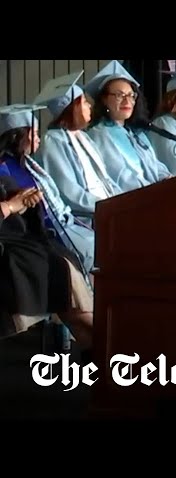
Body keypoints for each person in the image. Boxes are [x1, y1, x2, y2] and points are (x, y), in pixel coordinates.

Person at [0, 172, 93, 348]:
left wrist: (23, 202)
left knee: (59, 262)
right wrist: (9, 206)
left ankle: (104, 348)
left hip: (21, 244)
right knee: (51, 266)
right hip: (12, 254)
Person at [0, 104, 95, 276]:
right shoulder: (5, 169)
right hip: (43, 233)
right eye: (34, 133)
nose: (38, 139)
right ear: (18, 137)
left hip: (64, 223)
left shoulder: (27, 163)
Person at [34, 71, 122, 221]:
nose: (89, 106)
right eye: (84, 102)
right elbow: (69, 191)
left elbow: (105, 178)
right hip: (88, 216)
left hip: (108, 208)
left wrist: (123, 200)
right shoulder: (53, 141)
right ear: (73, 108)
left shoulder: (84, 137)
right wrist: (108, 206)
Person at [85, 60, 171, 193]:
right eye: (120, 95)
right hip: (131, 202)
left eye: (131, 95)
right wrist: (153, 190)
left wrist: (167, 178)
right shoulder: (99, 134)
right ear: (104, 100)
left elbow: (155, 165)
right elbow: (120, 175)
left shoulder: (136, 133)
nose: (127, 101)